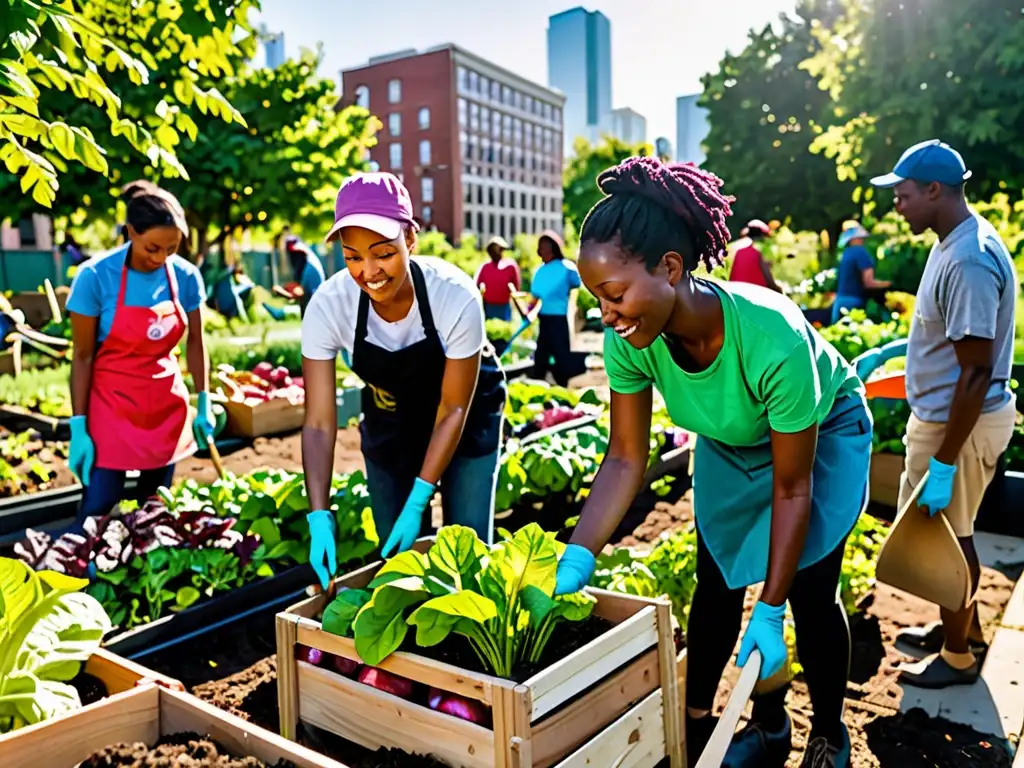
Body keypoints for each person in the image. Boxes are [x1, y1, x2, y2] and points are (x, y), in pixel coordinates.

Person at [552, 157, 872, 768]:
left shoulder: (770, 334)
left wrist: (770, 607)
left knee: (807, 588)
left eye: (615, 295)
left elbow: (792, 487)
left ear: (669, 268)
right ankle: (712, 726)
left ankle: (829, 733)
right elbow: (625, 457)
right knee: (718, 581)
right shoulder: (633, 344)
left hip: (819, 437)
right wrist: (579, 553)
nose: (608, 316)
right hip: (732, 440)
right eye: (597, 300)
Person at [301, 172, 506, 588]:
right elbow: (320, 422)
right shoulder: (329, 306)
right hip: (391, 418)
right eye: (353, 256)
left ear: (410, 238)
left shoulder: (455, 295)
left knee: (465, 553)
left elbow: (454, 408)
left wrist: (420, 501)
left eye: (383, 253)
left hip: (465, 417)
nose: (369, 270)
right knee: (394, 564)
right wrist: (319, 514)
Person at [868, 139, 1018, 688]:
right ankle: (963, 629)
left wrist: (946, 463)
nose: (897, 205)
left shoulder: (968, 259)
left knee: (953, 541)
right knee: (949, 536)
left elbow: (976, 374)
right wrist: (893, 363)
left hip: (958, 427)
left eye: (903, 195)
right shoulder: (949, 242)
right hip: (945, 420)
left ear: (934, 190)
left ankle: (957, 658)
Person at [65, 183, 214, 525]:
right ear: (131, 232)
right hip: (111, 406)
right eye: (152, 248)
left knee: (155, 511)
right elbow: (83, 356)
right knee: (98, 507)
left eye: (172, 249)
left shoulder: (187, 276)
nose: (161, 258)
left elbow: (195, 341)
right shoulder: (94, 277)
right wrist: (78, 426)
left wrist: (203, 402)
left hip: (164, 406)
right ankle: (82, 574)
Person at [528, 230, 581, 386]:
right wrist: (528, 311)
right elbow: (535, 298)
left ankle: (563, 389)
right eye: (541, 248)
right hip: (544, 319)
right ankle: (539, 386)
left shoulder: (567, 268)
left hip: (559, 319)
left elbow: (576, 283)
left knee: (562, 357)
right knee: (541, 357)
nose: (542, 251)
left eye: (545, 248)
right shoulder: (540, 272)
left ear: (553, 248)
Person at [830, 223, 892, 324]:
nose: (863, 240)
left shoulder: (846, 253)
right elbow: (869, 282)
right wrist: (889, 284)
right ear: (855, 238)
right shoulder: (860, 253)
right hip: (854, 304)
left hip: (839, 302)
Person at [474, 236, 521, 322]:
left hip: (504, 307)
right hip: (488, 307)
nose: (495, 252)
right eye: (492, 250)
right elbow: (476, 286)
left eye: (498, 249)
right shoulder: (485, 267)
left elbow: (516, 288)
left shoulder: (510, 266)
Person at [728, 219, 781, 292]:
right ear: (763, 235)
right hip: (755, 294)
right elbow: (769, 280)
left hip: (736, 293)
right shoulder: (760, 250)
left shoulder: (736, 249)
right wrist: (779, 290)